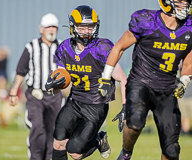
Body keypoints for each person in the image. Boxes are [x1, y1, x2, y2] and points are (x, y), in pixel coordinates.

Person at [98, 0, 192, 160]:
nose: (184, 5)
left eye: (186, 1)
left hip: (167, 87)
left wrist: (184, 80)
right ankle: (126, 153)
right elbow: (118, 48)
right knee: (135, 122)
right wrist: (106, 76)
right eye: (179, 1)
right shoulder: (147, 21)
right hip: (141, 81)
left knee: (172, 150)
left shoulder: (188, 27)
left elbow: (188, 61)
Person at [45, 5, 127, 160]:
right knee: (58, 142)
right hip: (75, 101)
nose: (86, 31)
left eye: (90, 27)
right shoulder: (64, 48)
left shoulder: (102, 48)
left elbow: (123, 79)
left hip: (96, 105)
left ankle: (98, 140)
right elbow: (62, 81)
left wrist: (125, 106)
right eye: (82, 27)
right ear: (73, 27)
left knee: (75, 152)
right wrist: (52, 86)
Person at [9, 13, 64, 160]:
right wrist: (14, 92)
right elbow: (21, 71)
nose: (51, 30)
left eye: (54, 27)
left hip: (55, 96)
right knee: (38, 128)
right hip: (36, 95)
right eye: (48, 27)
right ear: (41, 29)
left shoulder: (62, 47)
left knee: (54, 132)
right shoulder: (31, 46)